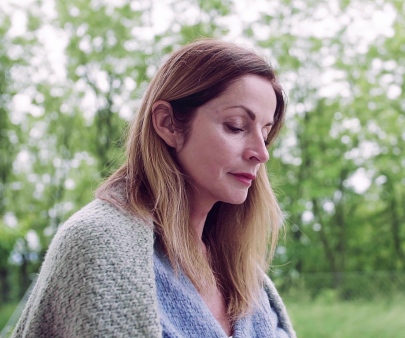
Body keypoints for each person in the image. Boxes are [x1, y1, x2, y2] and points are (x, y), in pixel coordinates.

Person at [12, 39, 296, 338]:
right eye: (236, 126)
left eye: (265, 135)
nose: (261, 153)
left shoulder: (244, 274)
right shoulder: (96, 245)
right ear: (168, 124)